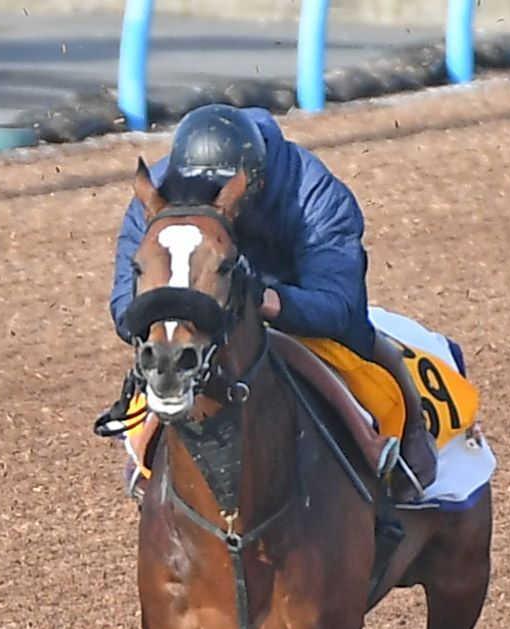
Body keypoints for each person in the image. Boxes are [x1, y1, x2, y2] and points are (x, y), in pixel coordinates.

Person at [101, 103, 436, 498]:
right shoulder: (156, 194)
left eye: (222, 196)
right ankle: (145, 455)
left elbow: (339, 304)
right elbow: (125, 302)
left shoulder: (314, 192)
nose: (212, 204)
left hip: (293, 304)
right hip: (202, 313)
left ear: (252, 183)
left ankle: (399, 439)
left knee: (361, 346)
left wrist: (268, 302)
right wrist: (169, 311)